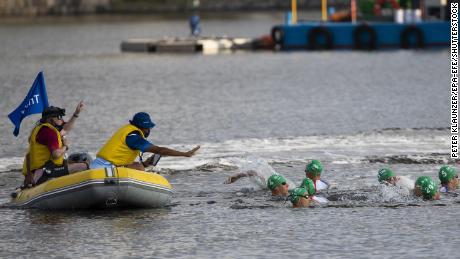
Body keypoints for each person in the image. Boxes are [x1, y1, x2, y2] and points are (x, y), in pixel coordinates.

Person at [90, 112, 200, 170]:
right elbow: (160, 150)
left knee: (139, 164)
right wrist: (185, 154)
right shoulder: (134, 136)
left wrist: (145, 163)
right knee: (139, 168)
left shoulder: (126, 129)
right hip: (105, 169)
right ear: (143, 127)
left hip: (97, 164)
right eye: (148, 128)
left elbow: (119, 158)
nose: (149, 131)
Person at [22, 101, 88, 187]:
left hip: (38, 172)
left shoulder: (40, 130)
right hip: (46, 172)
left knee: (76, 160)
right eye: (59, 117)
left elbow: (66, 128)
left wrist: (76, 113)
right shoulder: (49, 132)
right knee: (83, 166)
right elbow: (56, 154)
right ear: (51, 120)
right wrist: (66, 146)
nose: (62, 120)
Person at [224, 171, 290, 197]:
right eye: (284, 183)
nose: (288, 185)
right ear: (276, 188)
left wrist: (237, 176)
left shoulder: (266, 188)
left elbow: (254, 173)